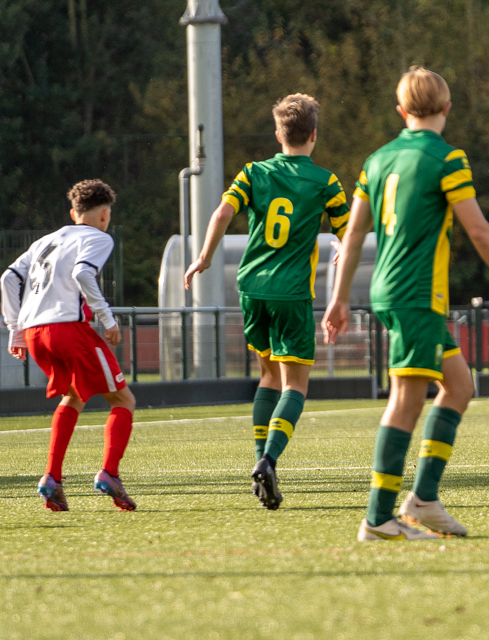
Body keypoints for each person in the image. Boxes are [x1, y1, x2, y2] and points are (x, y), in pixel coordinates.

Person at [323, 67, 489, 541]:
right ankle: (377, 517)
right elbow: (478, 230)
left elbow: (353, 233)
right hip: (416, 294)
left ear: (401, 111)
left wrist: (338, 298)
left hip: (391, 289)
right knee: (405, 400)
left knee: (459, 386)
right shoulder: (446, 158)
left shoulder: (377, 160)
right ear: (447, 108)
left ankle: (424, 500)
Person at [184, 94, 350, 510]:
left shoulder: (253, 172)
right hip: (292, 291)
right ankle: (268, 459)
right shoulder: (326, 182)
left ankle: (261, 467)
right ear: (314, 135)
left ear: (278, 134)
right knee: (296, 384)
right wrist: (340, 249)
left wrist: (203, 257)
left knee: (267, 377)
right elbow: (348, 234)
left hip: (251, 286)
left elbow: (222, 213)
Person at [0, 179, 138, 512]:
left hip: (35, 333)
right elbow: (82, 274)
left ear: (72, 212)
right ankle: (110, 473)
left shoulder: (45, 241)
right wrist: (108, 320)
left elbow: (8, 277)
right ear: (104, 214)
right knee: (123, 399)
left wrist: (14, 329)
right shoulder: (99, 237)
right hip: (67, 328)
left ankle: (52, 478)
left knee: (73, 396)